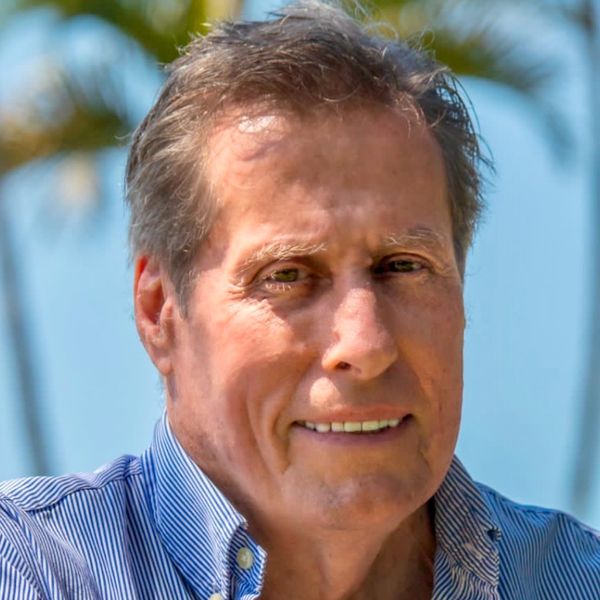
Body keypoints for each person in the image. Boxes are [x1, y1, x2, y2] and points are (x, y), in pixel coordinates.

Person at [1, 1, 599, 598]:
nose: (366, 343)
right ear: (160, 312)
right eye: (287, 275)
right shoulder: (33, 572)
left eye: (403, 267)